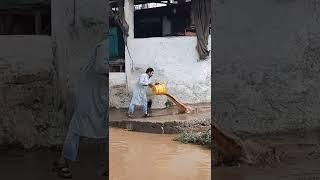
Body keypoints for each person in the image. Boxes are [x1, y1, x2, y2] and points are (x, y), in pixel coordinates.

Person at [53, 39, 108, 178]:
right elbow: (100, 66)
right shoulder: (104, 45)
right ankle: (62, 162)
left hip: (102, 93)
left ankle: (109, 165)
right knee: (77, 128)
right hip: (89, 94)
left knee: (109, 130)